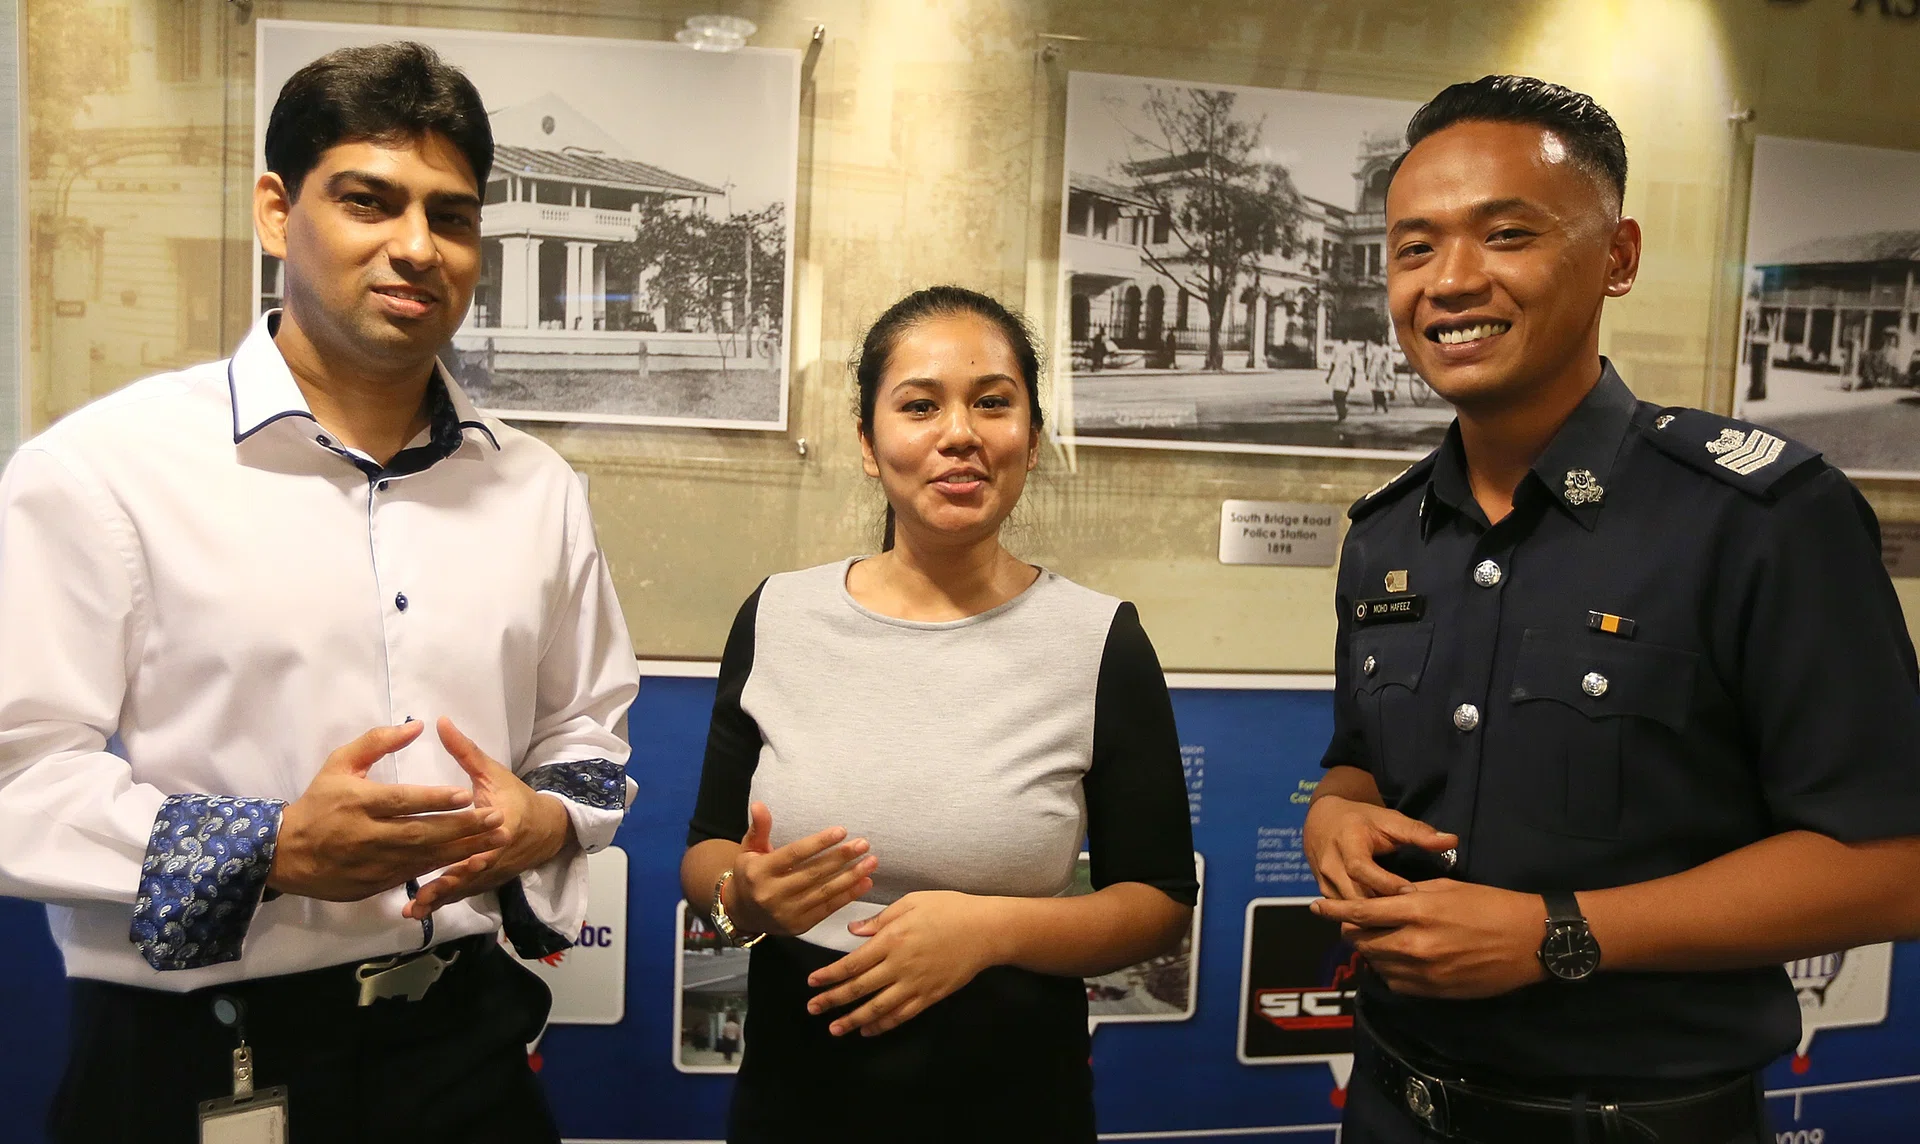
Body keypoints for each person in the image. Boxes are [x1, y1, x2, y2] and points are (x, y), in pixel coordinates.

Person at [0, 43, 639, 1144]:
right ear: (274, 211)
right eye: (368, 201)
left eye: (452, 214)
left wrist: (539, 819)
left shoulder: (537, 489)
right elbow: (18, 773)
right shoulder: (105, 470)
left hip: (464, 1054)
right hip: (198, 1058)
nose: (415, 247)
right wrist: (272, 845)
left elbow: (587, 734)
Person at [1305, 75, 1920, 1144]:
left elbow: (1892, 865)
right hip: (1394, 1106)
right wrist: (1336, 810)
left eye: (1505, 234)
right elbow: (1361, 759)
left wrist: (1558, 935)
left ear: (1618, 257)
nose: (1450, 281)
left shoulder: (1763, 517)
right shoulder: (1388, 535)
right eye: (1414, 247)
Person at [680, 285, 1197, 1142]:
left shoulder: (1099, 639)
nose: (959, 432)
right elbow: (708, 862)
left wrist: (989, 930)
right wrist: (747, 900)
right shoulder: (777, 615)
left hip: (1014, 1101)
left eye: (993, 402)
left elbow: (1159, 899)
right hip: (799, 1100)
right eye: (920, 405)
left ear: (1030, 440)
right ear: (867, 443)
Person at [1327, 339, 1358, 420]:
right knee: (1335, 396)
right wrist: (1329, 376)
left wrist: (1353, 378)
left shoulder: (1352, 347)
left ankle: (1341, 413)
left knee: (1342, 395)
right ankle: (1342, 411)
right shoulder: (1337, 346)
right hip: (1337, 372)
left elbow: (1354, 364)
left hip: (1347, 372)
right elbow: (1333, 362)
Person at [1367, 338, 1395, 413]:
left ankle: (1384, 406)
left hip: (1383, 370)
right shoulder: (1374, 349)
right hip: (1374, 371)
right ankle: (1375, 407)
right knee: (1374, 390)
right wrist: (1368, 372)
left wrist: (1389, 372)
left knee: (1382, 390)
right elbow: (1370, 361)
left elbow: (1389, 361)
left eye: (1383, 339)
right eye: (1380, 339)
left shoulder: (1387, 349)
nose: (1381, 341)